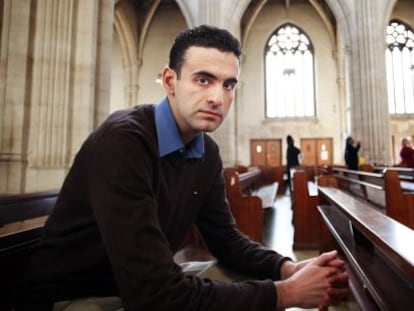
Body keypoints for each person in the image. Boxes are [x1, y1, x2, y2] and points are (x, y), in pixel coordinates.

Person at [13, 25, 348, 311]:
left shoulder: (207, 152)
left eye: (228, 84)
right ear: (170, 81)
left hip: (131, 288)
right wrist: (286, 293)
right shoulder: (124, 142)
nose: (218, 97)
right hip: (72, 298)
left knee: (241, 281)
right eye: (204, 80)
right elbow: (153, 294)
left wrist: (287, 269)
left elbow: (226, 241)